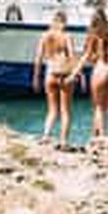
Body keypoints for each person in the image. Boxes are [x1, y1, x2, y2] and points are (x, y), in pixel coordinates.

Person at [32, 10, 75, 147]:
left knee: (52, 110)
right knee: (65, 110)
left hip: (50, 74)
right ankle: (63, 141)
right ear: (64, 22)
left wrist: (36, 77)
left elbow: (38, 58)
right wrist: (78, 74)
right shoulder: (67, 36)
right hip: (65, 73)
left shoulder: (45, 36)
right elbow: (72, 56)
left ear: (53, 21)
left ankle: (46, 136)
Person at [71, 8, 108, 139]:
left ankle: (100, 137)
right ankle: (96, 136)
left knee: (98, 108)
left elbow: (87, 56)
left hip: (100, 70)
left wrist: (74, 73)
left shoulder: (93, 34)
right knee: (105, 106)